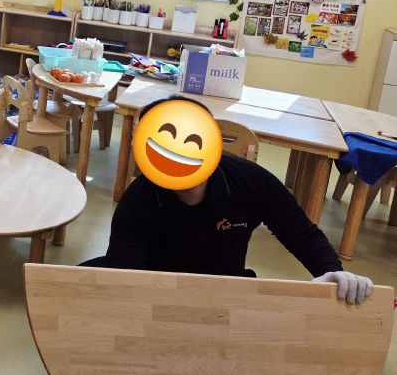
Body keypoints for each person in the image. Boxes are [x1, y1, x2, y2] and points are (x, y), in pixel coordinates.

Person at [83, 95, 374, 305]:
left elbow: (301, 233)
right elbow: (126, 275)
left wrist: (333, 273)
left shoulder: (250, 180)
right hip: (158, 288)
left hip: (223, 289)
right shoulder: (138, 199)